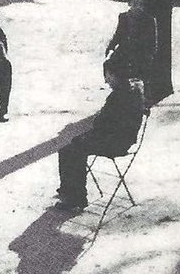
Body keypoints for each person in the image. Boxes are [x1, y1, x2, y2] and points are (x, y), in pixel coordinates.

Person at [54, 64, 145, 211]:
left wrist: (94, 125)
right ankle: (69, 190)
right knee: (73, 145)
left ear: (116, 75)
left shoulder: (118, 96)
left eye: (108, 76)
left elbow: (101, 123)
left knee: (71, 150)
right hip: (125, 139)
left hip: (116, 143)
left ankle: (75, 198)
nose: (106, 81)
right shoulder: (134, 89)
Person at [104, 0, 157, 97]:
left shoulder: (149, 20)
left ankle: (142, 97)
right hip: (124, 50)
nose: (137, 7)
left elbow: (152, 42)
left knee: (142, 73)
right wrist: (110, 48)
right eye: (135, 4)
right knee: (109, 64)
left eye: (140, 4)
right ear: (130, 4)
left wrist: (149, 56)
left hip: (140, 52)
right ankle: (118, 89)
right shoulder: (123, 17)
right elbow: (118, 35)